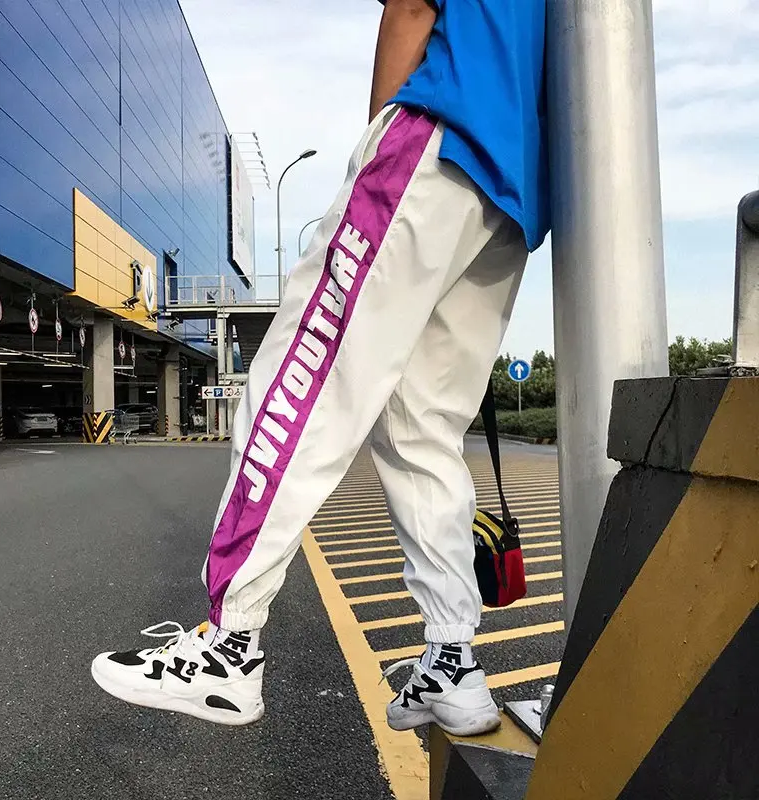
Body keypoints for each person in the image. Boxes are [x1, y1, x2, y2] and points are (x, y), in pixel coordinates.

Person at [92, 0, 549, 736]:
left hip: (439, 133)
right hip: (514, 190)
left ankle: (230, 644)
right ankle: (452, 660)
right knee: (422, 428)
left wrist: (374, 147)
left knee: (297, 381)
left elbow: (413, 6)